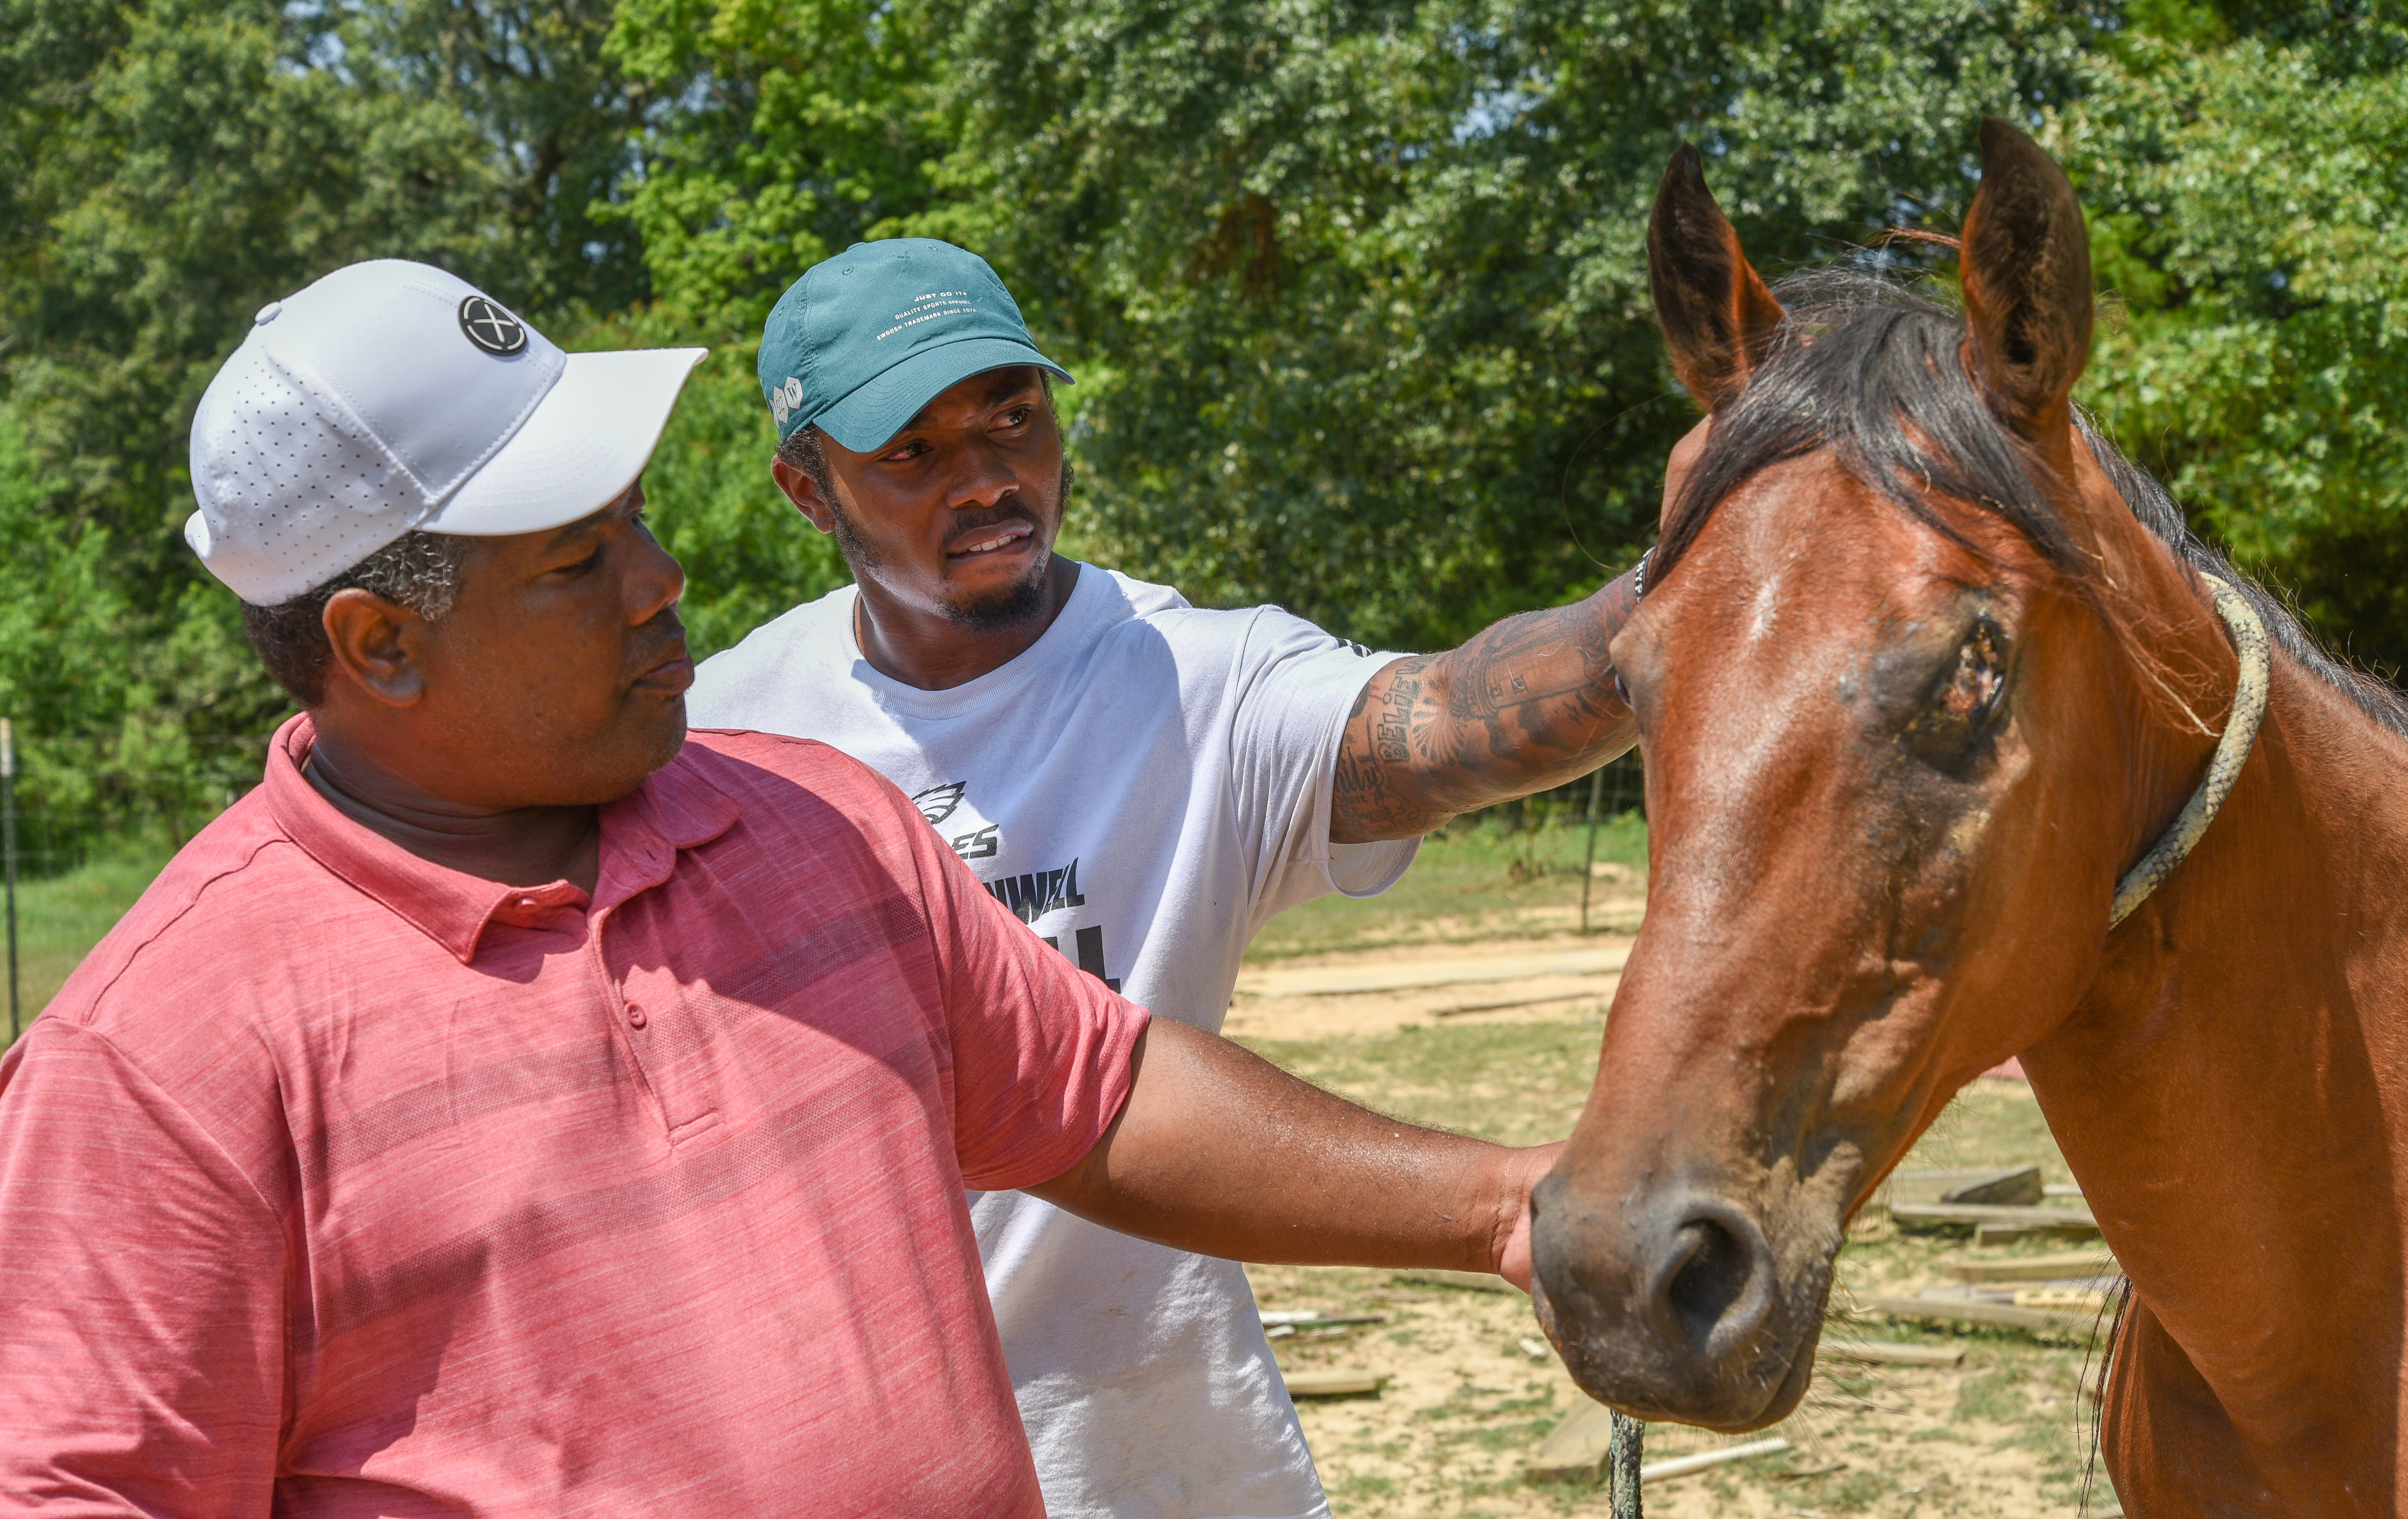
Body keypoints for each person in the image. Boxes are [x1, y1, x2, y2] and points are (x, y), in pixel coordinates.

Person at [0, 259, 1557, 1516]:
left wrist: (1508, 1211)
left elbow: (1097, 1095)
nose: (660, 577)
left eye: (635, 520)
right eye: (575, 557)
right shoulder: (159, 1068)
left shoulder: (815, 820)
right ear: (377, 643)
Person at [687, 238, 1647, 1519]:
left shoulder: (1193, 682)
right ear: (809, 492)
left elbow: (1462, 718)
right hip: (838, 1466)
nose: (987, 478)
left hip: (1165, 1461)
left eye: (1013, 416)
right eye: (911, 450)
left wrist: (1697, 580)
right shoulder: (718, 741)